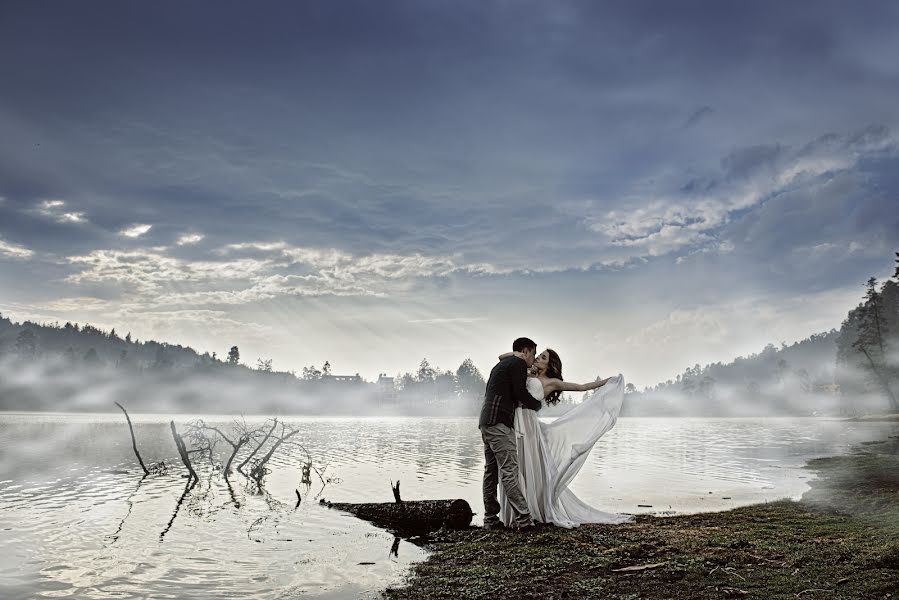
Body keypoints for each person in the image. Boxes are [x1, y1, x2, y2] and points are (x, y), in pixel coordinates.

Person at [498, 348, 633, 528]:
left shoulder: (552, 382)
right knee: (514, 467)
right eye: (538, 355)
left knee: (527, 465)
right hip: (513, 421)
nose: (537, 357)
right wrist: (520, 356)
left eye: (543, 357)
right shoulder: (525, 372)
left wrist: (609, 381)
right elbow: (501, 358)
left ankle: (531, 511)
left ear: (550, 365)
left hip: (528, 425)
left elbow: (581, 387)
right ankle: (516, 514)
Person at [478, 337, 542, 530]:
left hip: (486, 421)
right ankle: (524, 520)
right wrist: (536, 404)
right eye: (533, 354)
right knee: (509, 471)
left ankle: (490, 519)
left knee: (491, 472)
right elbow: (519, 393)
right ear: (525, 351)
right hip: (499, 423)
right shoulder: (518, 363)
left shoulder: (503, 365)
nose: (534, 359)